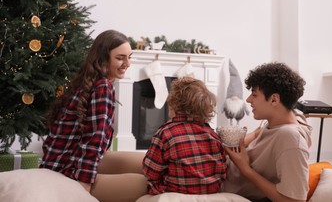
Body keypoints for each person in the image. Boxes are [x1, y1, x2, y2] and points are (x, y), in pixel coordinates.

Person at [40, 29, 147, 201]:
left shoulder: (89, 82)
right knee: (146, 184)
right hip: (68, 169)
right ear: (103, 59)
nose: (127, 63)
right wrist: (84, 184)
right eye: (120, 58)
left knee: (148, 162)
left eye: (129, 57)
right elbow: (94, 140)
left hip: (73, 159)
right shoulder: (102, 86)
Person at [222, 62, 312, 202]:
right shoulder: (288, 117)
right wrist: (239, 141)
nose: (248, 100)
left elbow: (295, 201)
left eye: (255, 95)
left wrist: (246, 169)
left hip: (220, 182)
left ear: (274, 99)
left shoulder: (290, 138)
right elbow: (260, 133)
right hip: (223, 166)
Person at [142, 76, 227, 195]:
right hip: (210, 191)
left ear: (174, 105)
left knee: (139, 179)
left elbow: (150, 171)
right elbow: (222, 170)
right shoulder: (213, 135)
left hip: (173, 191)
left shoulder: (165, 132)